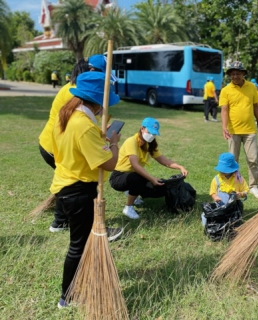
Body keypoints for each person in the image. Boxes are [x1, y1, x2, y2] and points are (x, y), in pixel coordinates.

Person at [51, 72, 121, 308]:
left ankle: (85, 280)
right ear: (97, 101)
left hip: (65, 184)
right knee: (78, 245)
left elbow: (77, 147)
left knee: (79, 242)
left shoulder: (68, 116)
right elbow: (110, 164)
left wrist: (99, 138)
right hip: (78, 191)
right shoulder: (83, 125)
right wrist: (113, 143)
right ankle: (67, 297)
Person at [39, 54, 115, 233]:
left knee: (70, 181)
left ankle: (61, 222)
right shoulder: (76, 91)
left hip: (59, 141)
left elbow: (85, 122)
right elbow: (81, 125)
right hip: (56, 144)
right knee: (77, 182)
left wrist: (98, 132)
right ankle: (82, 225)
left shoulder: (77, 88)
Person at [109, 117, 188, 219]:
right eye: (149, 132)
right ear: (142, 128)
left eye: (154, 134)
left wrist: (180, 167)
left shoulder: (149, 144)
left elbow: (163, 160)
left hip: (133, 176)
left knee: (160, 189)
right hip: (118, 177)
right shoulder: (131, 141)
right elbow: (135, 165)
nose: (151, 136)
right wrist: (151, 179)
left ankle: (132, 192)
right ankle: (128, 207)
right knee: (138, 178)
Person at [219, 61, 258, 199]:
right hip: (233, 131)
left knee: (253, 159)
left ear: (243, 73)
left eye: (238, 73)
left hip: (250, 130)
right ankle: (235, 184)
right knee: (233, 160)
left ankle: (253, 186)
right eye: (232, 74)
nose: (235, 76)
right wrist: (224, 127)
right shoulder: (226, 90)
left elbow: (256, 107)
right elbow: (224, 110)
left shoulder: (251, 87)